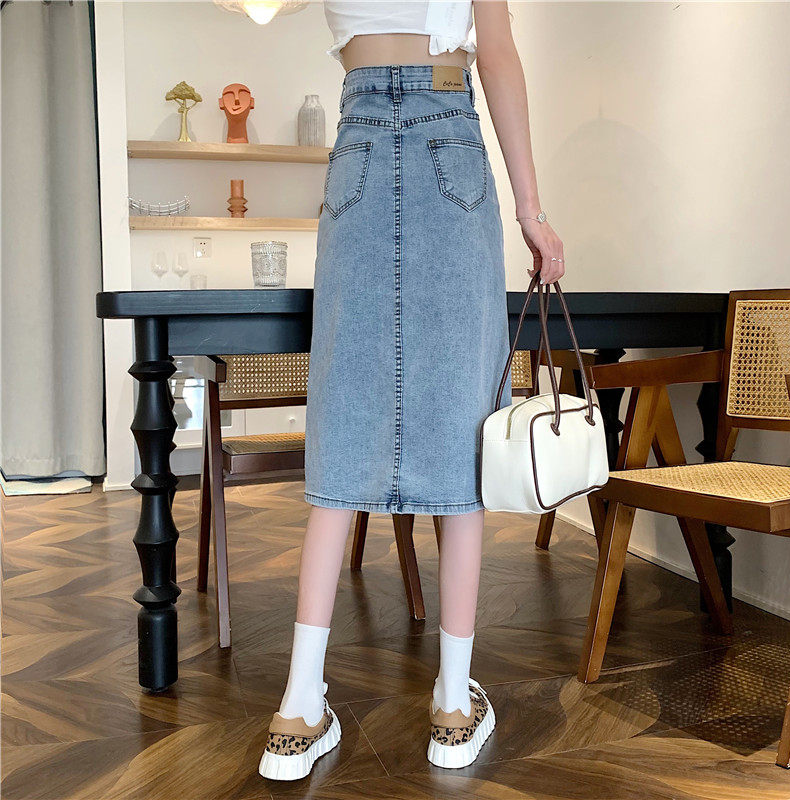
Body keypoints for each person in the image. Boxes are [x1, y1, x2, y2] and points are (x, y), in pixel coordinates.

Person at [259, 0, 565, 781]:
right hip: (448, 135)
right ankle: (454, 707)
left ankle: (297, 709)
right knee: (463, 434)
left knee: (342, 424)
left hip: (359, 137)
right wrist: (532, 212)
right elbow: (496, 55)